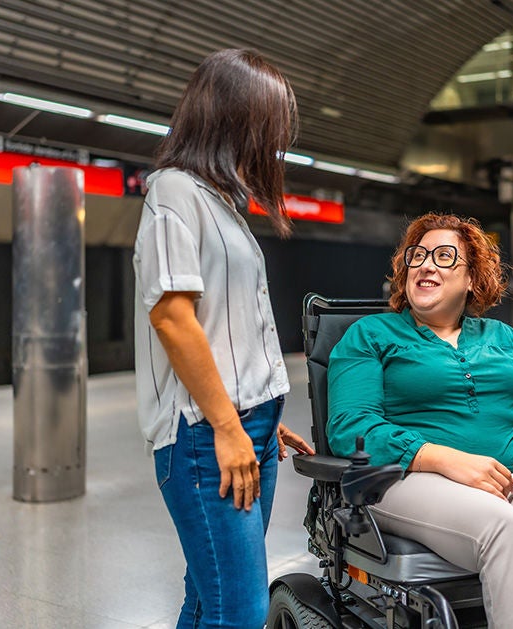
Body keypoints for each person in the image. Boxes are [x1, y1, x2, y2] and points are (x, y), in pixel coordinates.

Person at [327, 213, 513, 629]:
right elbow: (351, 426)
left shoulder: (501, 337)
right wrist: (442, 458)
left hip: (505, 480)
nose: (425, 264)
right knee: (501, 526)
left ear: (471, 279)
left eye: (444, 256)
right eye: (418, 255)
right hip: (404, 481)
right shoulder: (372, 334)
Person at [132, 49, 314, 629]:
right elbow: (173, 319)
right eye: (271, 124)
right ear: (234, 118)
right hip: (206, 438)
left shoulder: (221, 201)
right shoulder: (173, 194)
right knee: (240, 610)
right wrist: (231, 426)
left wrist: (261, 412)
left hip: (246, 428)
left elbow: (228, 326)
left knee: (208, 597)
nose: (277, 140)